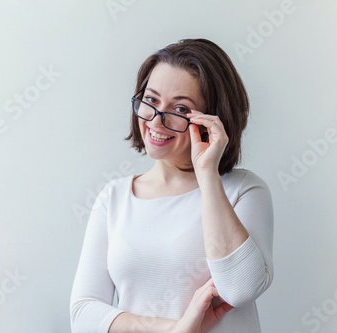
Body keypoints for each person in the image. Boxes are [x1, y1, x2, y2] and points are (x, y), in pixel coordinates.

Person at [70, 38, 274, 333]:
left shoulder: (243, 190)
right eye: (151, 101)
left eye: (179, 108)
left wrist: (207, 174)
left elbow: (240, 289)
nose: (155, 120)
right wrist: (174, 329)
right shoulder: (114, 197)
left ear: (211, 119)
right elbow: (83, 315)